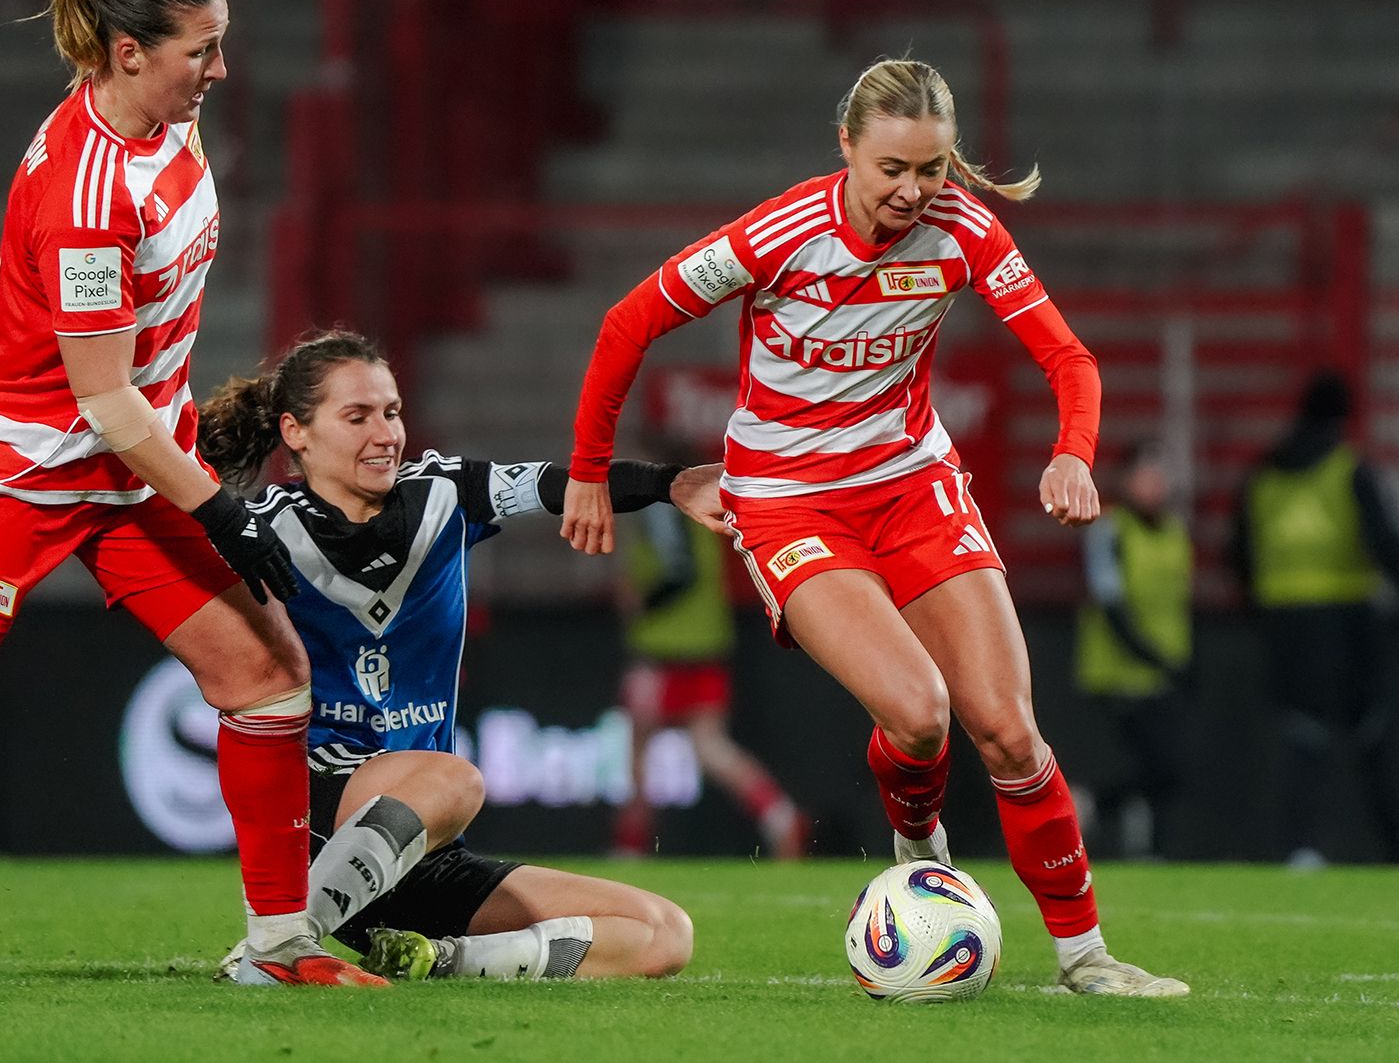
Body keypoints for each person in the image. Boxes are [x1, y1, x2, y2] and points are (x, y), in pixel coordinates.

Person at [560, 58, 1188, 997]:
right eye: (892, 167)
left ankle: (1085, 957)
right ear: (847, 146)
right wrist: (588, 476)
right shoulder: (777, 237)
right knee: (919, 712)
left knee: (1011, 732)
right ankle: (920, 844)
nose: (911, 191)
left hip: (912, 485)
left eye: (931, 170)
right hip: (785, 502)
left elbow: (1069, 356)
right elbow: (626, 323)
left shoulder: (966, 231)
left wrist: (1073, 452)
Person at [0, 0, 378, 987]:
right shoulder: (91, 193)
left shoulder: (168, 121)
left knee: (269, 678)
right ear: (128, 52)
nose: (220, 70)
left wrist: (14, 322)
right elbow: (102, 398)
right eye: (203, 48)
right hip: (24, 478)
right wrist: (222, 514)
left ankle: (277, 947)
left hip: (128, 473)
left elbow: (108, 332)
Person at [193, 331, 699, 981]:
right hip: (322, 822)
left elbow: (561, 486)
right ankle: (282, 944)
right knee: (456, 776)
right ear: (296, 432)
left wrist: (672, 484)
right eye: (357, 417)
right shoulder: (262, 533)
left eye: (392, 411)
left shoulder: (443, 495)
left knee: (661, 935)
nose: (385, 433)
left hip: (426, 849)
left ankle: (432, 960)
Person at [1226, 368, 1399, 868]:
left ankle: (1302, 846)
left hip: (1284, 622)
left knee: (1303, 734)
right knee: (1373, 732)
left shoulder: (1263, 477)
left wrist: (1261, 611)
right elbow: (1390, 547)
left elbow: (1238, 553)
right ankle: (1398, 848)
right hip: (1348, 618)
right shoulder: (1349, 470)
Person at [612, 432, 808, 859]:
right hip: (707, 642)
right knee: (709, 747)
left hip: (664, 647)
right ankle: (778, 814)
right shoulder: (700, 502)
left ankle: (630, 849)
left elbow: (679, 570)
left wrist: (642, 601)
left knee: (639, 748)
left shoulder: (660, 506)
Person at [1073, 442, 1191, 858]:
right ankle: (1090, 806)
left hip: (1163, 675)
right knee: (1162, 766)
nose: (1157, 485)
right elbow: (1111, 607)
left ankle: (1147, 847)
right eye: (1147, 474)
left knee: (1164, 770)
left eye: (1162, 475)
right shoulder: (1110, 531)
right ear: (1126, 480)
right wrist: (1153, 657)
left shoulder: (1175, 532)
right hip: (1117, 674)